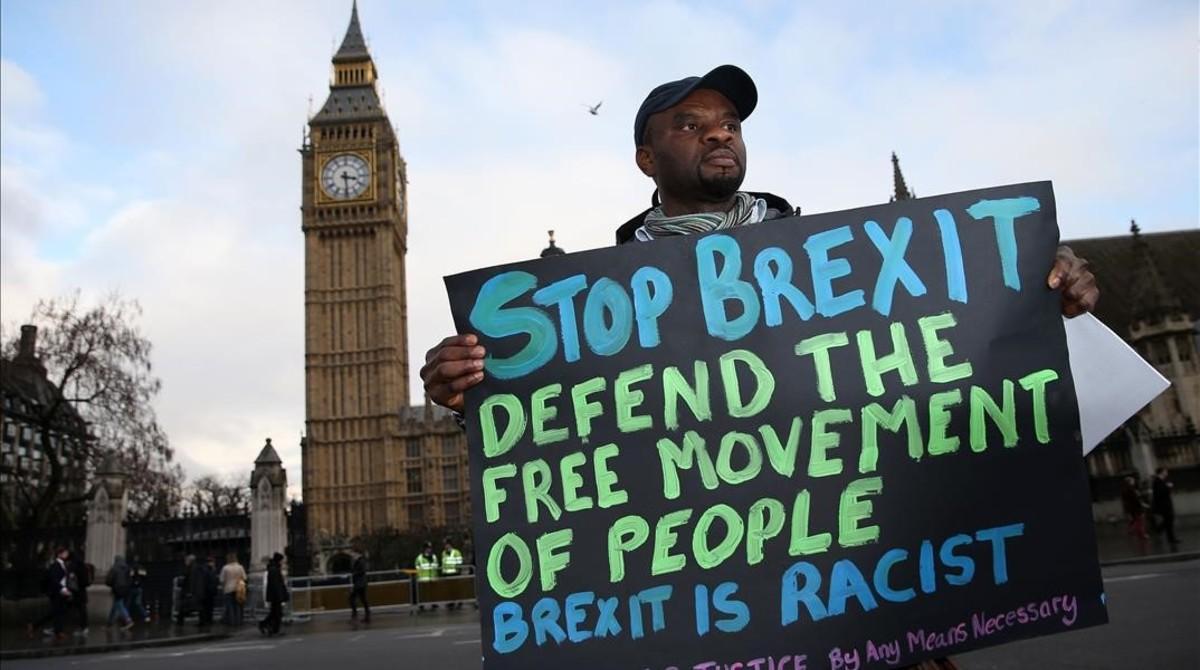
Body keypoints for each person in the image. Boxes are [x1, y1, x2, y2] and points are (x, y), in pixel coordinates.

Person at [420, 66, 1102, 670]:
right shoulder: (586, 316)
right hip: (714, 629)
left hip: (871, 618)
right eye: (691, 125)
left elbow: (959, 365)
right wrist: (469, 390)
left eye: (730, 124)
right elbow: (566, 457)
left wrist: (1046, 292)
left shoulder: (855, 269)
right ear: (646, 158)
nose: (719, 135)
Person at [259, 552, 287, 636]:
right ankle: (273, 628)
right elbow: (276, 584)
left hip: (275, 595)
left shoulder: (274, 568)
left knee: (274, 613)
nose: (282, 562)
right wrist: (280, 596)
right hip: (276, 596)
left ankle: (267, 626)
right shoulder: (274, 569)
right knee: (277, 613)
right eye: (282, 560)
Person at [1121, 474, 1150, 553]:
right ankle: (1138, 533)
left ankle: (1138, 533)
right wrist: (1143, 504)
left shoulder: (1125, 489)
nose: (1134, 481)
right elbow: (1136, 499)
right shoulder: (1131, 489)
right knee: (1140, 521)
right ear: (1129, 482)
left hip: (1132, 508)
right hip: (1136, 508)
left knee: (1137, 520)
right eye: (1132, 480)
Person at [1152, 467, 1179, 548]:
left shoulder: (1162, 481)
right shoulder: (1157, 481)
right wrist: (1168, 487)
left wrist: (1167, 487)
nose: (1167, 472)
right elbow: (1160, 493)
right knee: (1169, 520)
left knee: (1169, 521)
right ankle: (1168, 537)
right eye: (1165, 471)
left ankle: (1164, 534)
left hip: (1166, 504)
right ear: (1161, 472)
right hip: (1163, 505)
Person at [67, 549, 92, 637]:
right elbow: (86, 581)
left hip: (76, 591)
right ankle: (84, 627)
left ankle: (81, 627)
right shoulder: (83, 566)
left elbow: (72, 579)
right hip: (82, 591)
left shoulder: (73, 566)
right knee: (82, 610)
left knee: (78, 611)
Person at [106, 555, 134, 630]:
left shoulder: (114, 568)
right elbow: (130, 579)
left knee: (119, 605)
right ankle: (109, 624)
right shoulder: (127, 568)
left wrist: (111, 585)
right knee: (115, 606)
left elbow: (109, 580)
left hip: (117, 589)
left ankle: (128, 620)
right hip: (125, 589)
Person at [219, 552, 247, 626]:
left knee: (230, 606)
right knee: (238, 606)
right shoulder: (240, 567)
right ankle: (239, 621)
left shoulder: (225, 568)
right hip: (238, 589)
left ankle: (232, 621)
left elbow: (222, 579)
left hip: (228, 589)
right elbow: (244, 577)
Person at [415, 541, 440, 611]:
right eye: (427, 548)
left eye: (430, 548)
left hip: (433, 577)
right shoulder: (419, 558)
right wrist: (419, 576)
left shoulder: (434, 557)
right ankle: (421, 605)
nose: (429, 549)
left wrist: (436, 575)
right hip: (423, 579)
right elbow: (417, 568)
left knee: (433, 592)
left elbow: (436, 566)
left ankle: (433, 604)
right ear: (424, 549)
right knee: (423, 593)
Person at [349, 552, 370, 622]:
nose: (353, 556)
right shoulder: (358, 561)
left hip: (360, 583)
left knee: (352, 598)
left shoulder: (361, 561)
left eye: (354, 555)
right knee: (363, 600)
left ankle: (355, 616)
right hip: (360, 583)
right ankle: (367, 616)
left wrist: (355, 573)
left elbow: (362, 571)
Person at [128, 556, 148, 623]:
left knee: (128, 603)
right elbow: (145, 576)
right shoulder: (141, 567)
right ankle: (145, 616)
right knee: (138, 603)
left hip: (132, 587)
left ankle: (127, 618)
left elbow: (129, 577)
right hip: (139, 587)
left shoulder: (131, 567)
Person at [198, 555, 218, 625]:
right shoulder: (209, 570)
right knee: (208, 607)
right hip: (208, 591)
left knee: (207, 607)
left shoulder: (208, 569)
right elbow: (211, 581)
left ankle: (207, 620)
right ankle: (207, 620)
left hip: (207, 591)